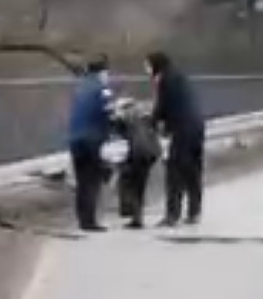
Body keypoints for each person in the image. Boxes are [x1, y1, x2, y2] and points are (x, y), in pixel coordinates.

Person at [146, 51, 205, 227]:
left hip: (183, 130)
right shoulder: (179, 76)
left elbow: (162, 106)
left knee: (174, 172)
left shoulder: (165, 79)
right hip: (196, 126)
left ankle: (172, 215)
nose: (147, 69)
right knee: (193, 171)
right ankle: (194, 211)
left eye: (148, 65)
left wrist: (152, 121)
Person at [66, 54, 114, 232]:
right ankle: (90, 221)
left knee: (82, 181)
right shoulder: (103, 88)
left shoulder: (80, 87)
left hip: (75, 138)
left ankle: (82, 219)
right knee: (92, 180)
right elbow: (108, 113)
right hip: (91, 139)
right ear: (102, 72)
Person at [110, 98, 161, 229]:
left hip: (137, 152)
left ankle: (131, 212)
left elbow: (116, 132)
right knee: (140, 184)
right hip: (152, 152)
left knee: (126, 183)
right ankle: (137, 218)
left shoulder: (125, 117)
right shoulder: (145, 115)